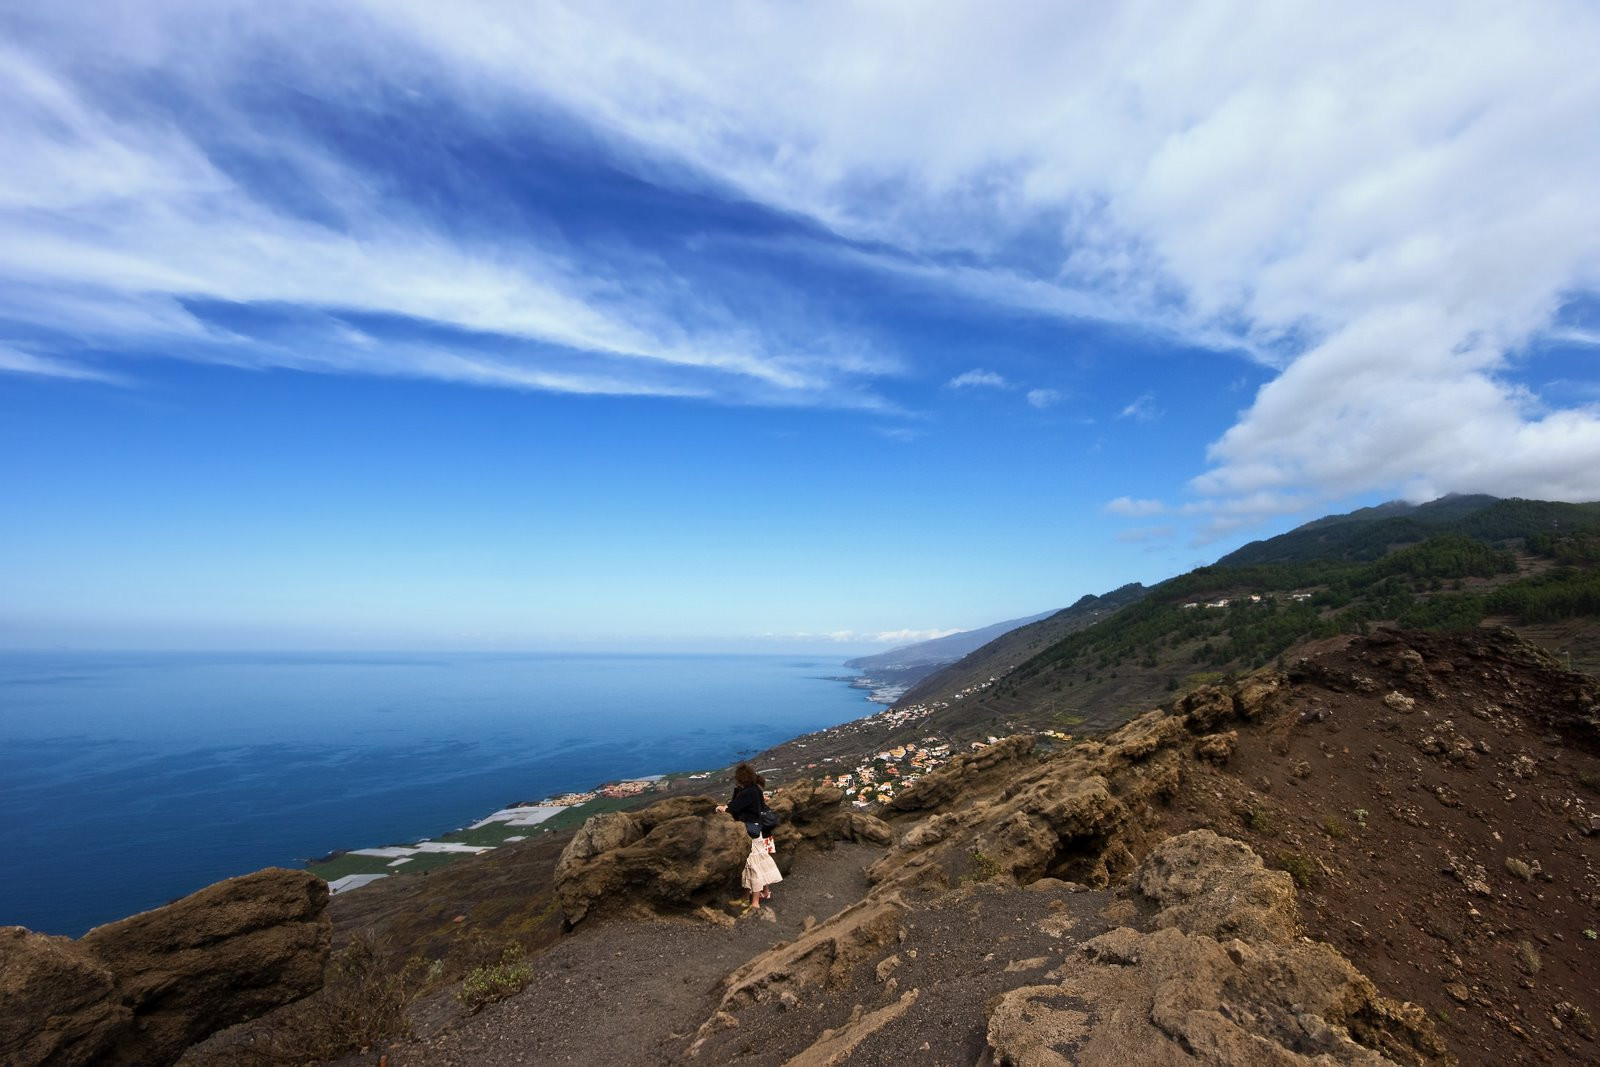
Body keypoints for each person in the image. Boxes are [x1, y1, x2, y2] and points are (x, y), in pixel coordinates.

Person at [715, 762, 781, 909]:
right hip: (756, 830)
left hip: (751, 833)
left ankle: (755, 903)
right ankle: (745, 898)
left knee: (753, 868)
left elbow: (733, 808)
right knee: (749, 867)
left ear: (740, 778)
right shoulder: (755, 789)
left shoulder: (748, 792)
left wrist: (721, 808)